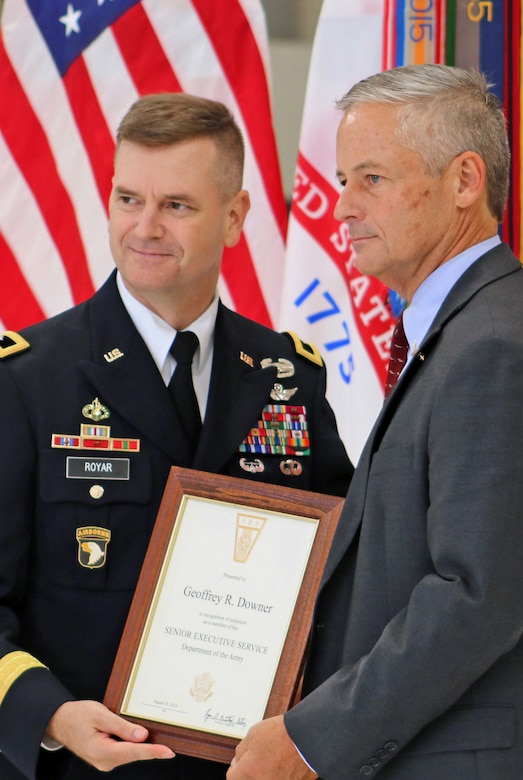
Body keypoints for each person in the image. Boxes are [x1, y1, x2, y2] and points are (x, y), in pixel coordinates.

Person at [0, 92, 353, 780]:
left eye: (177, 206)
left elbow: (340, 577)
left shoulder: (290, 378)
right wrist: (50, 714)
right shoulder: (27, 381)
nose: (145, 227)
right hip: (80, 767)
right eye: (128, 198)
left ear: (234, 217)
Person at [226, 64, 523, 780]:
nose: (341, 207)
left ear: (464, 181)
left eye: (370, 179)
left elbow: (477, 595)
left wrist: (317, 739)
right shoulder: (468, 329)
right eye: (343, 179)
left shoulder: (496, 348)